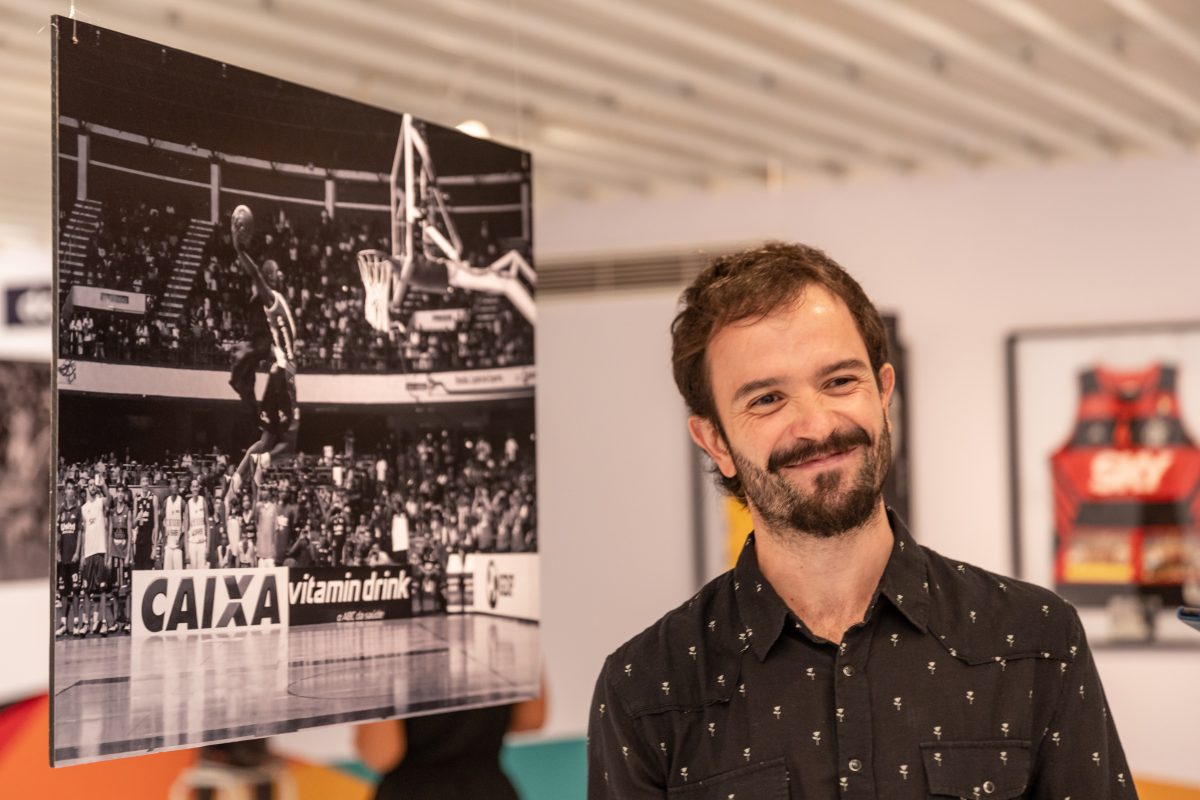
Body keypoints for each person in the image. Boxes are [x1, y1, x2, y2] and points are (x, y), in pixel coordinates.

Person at [587, 243, 1134, 798]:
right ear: (715, 442)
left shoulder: (1036, 640)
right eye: (768, 399)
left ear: (884, 394)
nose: (817, 425)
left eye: (839, 382)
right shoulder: (644, 692)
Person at [354, 679, 547, 800]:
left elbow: (381, 755)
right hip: (489, 787)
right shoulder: (508, 626)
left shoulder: (385, 633)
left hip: (413, 791)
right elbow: (531, 718)